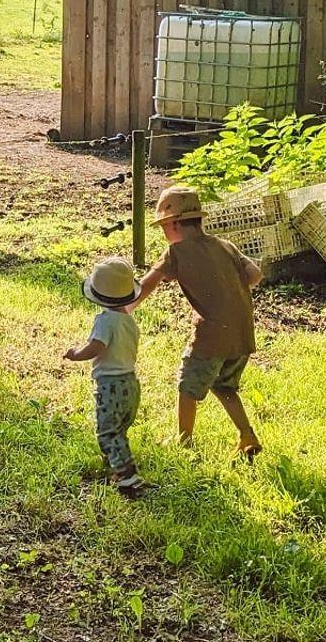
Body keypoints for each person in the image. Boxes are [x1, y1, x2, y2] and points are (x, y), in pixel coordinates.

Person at [133, 186, 263, 462]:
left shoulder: (176, 252)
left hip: (210, 335)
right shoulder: (225, 246)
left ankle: (184, 441)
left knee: (187, 385)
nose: (164, 232)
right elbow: (255, 274)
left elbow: (147, 284)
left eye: (163, 226)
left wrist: (125, 308)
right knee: (224, 386)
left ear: (175, 224)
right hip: (242, 332)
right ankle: (247, 435)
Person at [61, 256, 147, 496]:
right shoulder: (129, 322)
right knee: (119, 427)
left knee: (107, 431)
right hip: (131, 383)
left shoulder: (105, 320)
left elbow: (96, 347)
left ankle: (127, 476)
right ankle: (114, 461)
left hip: (111, 385)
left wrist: (76, 354)